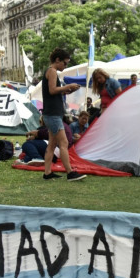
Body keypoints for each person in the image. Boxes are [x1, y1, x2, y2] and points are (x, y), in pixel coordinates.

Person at [42, 47, 86, 181]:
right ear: (57, 60)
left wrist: (68, 91)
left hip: (51, 113)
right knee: (64, 143)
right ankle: (70, 172)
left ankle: (47, 172)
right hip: (53, 114)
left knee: (52, 144)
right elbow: (52, 90)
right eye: (65, 63)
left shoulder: (51, 71)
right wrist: (68, 86)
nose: (65, 66)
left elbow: (55, 92)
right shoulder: (52, 71)